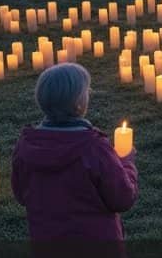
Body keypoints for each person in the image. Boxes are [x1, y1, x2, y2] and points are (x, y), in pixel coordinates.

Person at [12, 63, 139, 241]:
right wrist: (126, 163)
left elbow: (21, 194)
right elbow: (122, 198)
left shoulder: (26, 146)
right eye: (87, 91)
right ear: (79, 103)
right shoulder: (94, 148)